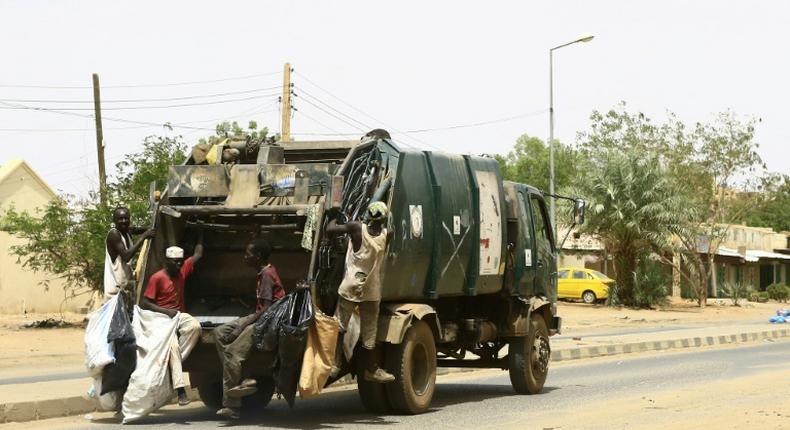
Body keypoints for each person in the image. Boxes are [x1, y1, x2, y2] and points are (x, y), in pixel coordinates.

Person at [214, 240, 285, 420]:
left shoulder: (267, 275)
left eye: (248, 254)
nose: (245, 257)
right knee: (219, 333)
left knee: (231, 354)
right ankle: (243, 376)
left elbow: (266, 310)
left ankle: (232, 405)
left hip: (267, 321)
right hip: (260, 315)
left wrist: (242, 328)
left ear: (258, 257)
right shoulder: (263, 271)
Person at [326, 201, 395, 384]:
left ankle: (335, 362)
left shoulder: (356, 227)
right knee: (369, 333)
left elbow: (330, 229)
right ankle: (371, 369)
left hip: (350, 287)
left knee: (340, 326)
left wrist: (333, 214)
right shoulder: (388, 235)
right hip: (371, 290)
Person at [140, 244, 203, 406]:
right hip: (161, 318)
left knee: (195, 327)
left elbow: (197, 254)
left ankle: (171, 365)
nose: (179, 265)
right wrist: (165, 311)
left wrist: (200, 230)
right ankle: (180, 389)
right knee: (173, 346)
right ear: (166, 262)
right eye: (175, 262)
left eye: (180, 262)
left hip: (178, 315)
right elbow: (145, 302)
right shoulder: (157, 278)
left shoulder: (182, 271)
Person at [104, 207, 154, 300]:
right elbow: (126, 256)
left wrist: (152, 227)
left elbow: (137, 229)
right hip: (114, 292)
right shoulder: (114, 234)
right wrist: (144, 236)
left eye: (126, 218)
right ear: (114, 221)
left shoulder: (127, 232)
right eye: (120, 219)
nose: (124, 221)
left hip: (125, 289)